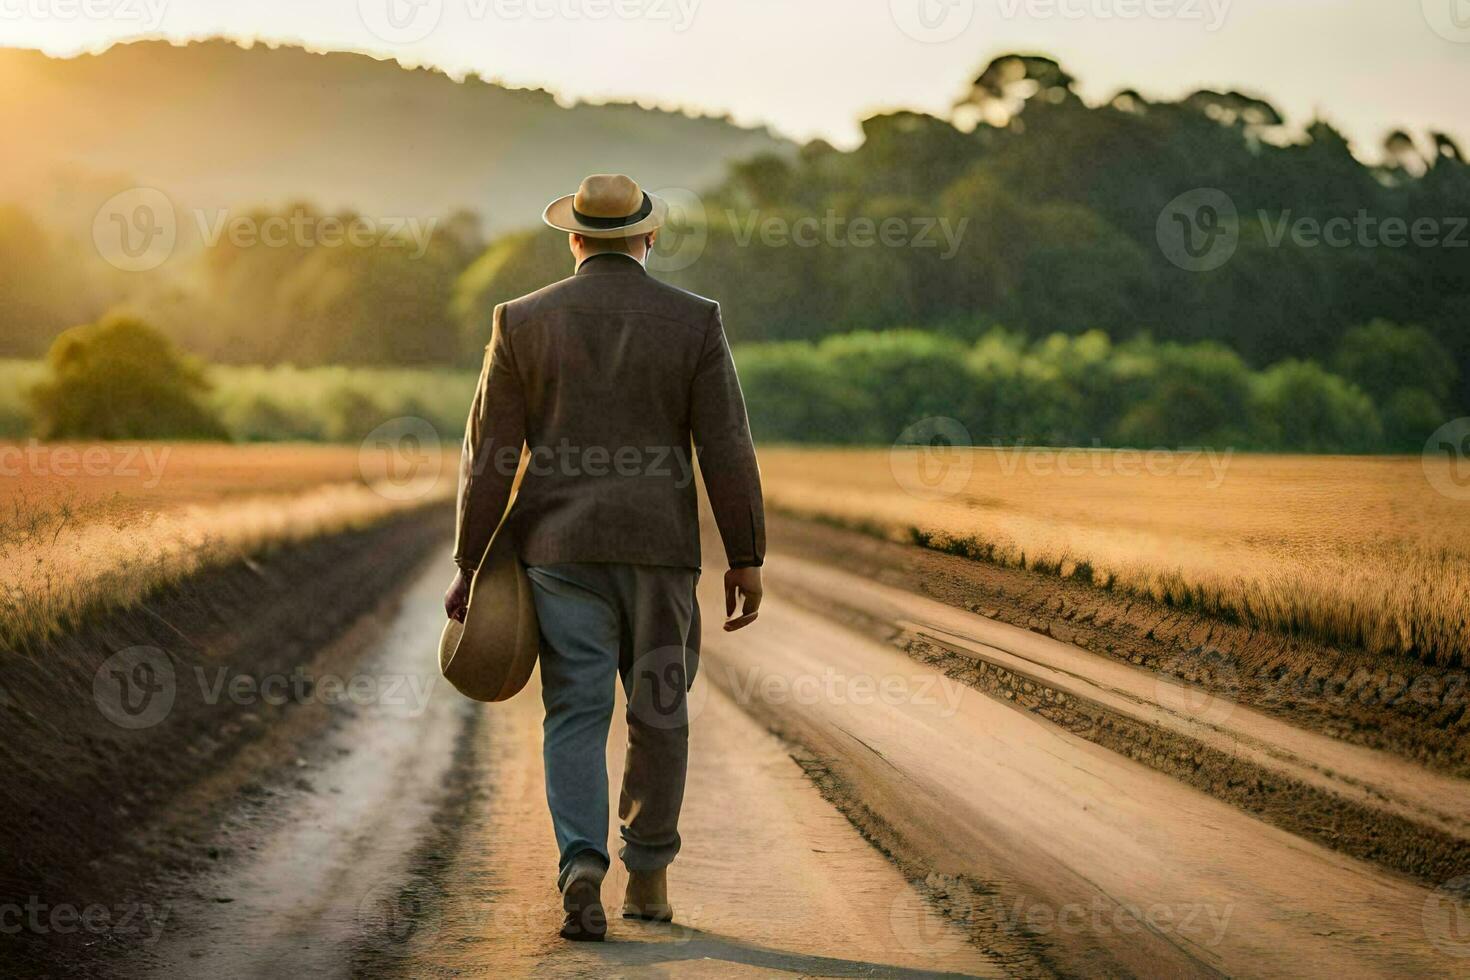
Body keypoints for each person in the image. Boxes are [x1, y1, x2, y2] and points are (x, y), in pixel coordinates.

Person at [444, 174, 765, 941]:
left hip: (561, 551)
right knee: (659, 712)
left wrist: (468, 559)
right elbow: (725, 444)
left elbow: (491, 454)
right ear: (648, 239)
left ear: (575, 239)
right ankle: (648, 880)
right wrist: (746, 554)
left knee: (575, 712)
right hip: (661, 553)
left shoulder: (520, 319)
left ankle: (581, 865)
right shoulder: (695, 320)